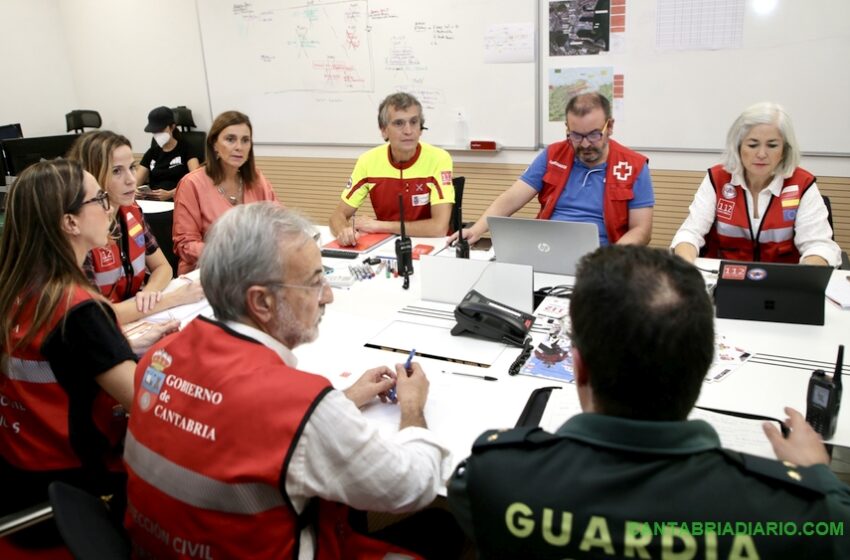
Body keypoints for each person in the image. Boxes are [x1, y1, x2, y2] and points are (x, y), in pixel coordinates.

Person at [448, 245, 850, 558]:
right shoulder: (804, 513)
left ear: (579, 368)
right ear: (704, 363)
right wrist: (818, 475)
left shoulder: (496, 473)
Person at [125, 203, 461, 559]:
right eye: (315, 281)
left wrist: (343, 400)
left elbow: (234, 428)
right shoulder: (301, 404)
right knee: (442, 527)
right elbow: (409, 487)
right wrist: (412, 408)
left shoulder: (159, 357)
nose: (328, 295)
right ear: (262, 302)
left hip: (159, 548)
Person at [0, 160, 138, 517]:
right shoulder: (77, 310)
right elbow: (145, 401)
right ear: (70, 222)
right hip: (78, 490)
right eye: (99, 199)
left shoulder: (14, 287)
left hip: (19, 467)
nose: (109, 208)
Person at [452, 92, 653, 248]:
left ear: (609, 127)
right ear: (567, 128)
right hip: (547, 248)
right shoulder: (553, 154)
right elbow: (512, 198)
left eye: (593, 135)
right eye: (575, 135)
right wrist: (477, 229)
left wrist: (611, 259)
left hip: (604, 257)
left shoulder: (634, 166)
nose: (584, 144)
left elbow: (642, 230)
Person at [672, 102, 841, 266]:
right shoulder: (717, 179)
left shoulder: (801, 184)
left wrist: (805, 276)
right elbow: (690, 234)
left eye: (772, 145)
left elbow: (820, 246)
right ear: (738, 147)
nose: (761, 154)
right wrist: (687, 268)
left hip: (782, 285)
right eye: (752, 145)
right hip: (724, 281)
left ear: (784, 150)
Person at [68, 131, 204, 325]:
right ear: (91, 175)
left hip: (136, 318)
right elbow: (95, 316)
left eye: (131, 167)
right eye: (116, 171)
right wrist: (170, 299)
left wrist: (150, 293)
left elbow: (163, 267)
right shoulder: (80, 230)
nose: (131, 179)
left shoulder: (131, 212)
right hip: (101, 330)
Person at [328, 92, 455, 245]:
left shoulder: (439, 158)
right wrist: (344, 231)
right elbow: (337, 215)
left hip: (432, 247)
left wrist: (380, 225)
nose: (408, 131)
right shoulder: (368, 160)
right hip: (386, 246)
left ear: (421, 128)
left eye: (414, 122)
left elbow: (439, 228)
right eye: (399, 123)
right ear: (383, 130)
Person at [173, 110, 278, 274]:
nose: (239, 147)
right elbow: (185, 245)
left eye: (245, 140)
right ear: (214, 143)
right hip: (206, 274)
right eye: (230, 139)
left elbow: (278, 221)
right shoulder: (191, 184)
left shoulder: (256, 179)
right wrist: (230, 256)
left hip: (252, 269)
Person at [135, 105, 201, 200]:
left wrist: (171, 194)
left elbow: (197, 180)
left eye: (161, 130)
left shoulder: (187, 149)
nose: (157, 134)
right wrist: (135, 191)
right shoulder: (152, 152)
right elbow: (136, 182)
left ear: (172, 127)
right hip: (153, 203)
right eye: (154, 131)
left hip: (179, 200)